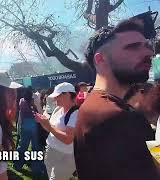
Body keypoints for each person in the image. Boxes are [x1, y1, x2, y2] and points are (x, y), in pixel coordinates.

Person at [74, 19, 160, 180]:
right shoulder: (120, 117)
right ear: (100, 59)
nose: (149, 53)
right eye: (132, 47)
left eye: (147, 46)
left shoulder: (92, 104)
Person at [35, 82, 79, 180]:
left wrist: (49, 126)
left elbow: (68, 139)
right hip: (50, 150)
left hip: (65, 156)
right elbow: (49, 129)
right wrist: (43, 122)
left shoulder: (76, 113)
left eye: (57, 96)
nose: (54, 99)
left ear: (67, 94)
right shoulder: (58, 109)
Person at [14, 88, 45, 175]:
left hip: (25, 124)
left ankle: (17, 165)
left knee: (23, 146)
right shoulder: (34, 101)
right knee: (36, 147)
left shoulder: (22, 101)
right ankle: (36, 167)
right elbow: (39, 112)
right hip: (34, 124)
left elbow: (21, 113)